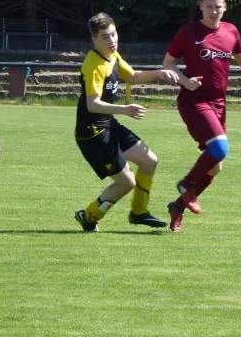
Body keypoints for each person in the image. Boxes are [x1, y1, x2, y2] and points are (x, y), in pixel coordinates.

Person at [163, 0, 241, 232]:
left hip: (219, 104)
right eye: (209, 6)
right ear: (201, 6)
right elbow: (168, 63)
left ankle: (177, 206)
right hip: (194, 100)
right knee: (220, 148)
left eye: (218, 6)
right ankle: (186, 185)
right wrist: (184, 81)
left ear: (225, 7)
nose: (213, 11)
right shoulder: (188, 32)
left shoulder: (231, 31)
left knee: (216, 165)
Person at [74, 12, 179, 232]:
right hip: (93, 133)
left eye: (113, 34)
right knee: (127, 183)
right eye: (105, 37)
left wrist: (160, 73)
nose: (112, 41)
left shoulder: (113, 57)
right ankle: (89, 216)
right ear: (94, 39)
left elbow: (132, 76)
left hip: (108, 125)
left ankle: (139, 212)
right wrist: (126, 109)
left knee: (149, 160)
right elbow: (92, 104)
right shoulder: (93, 65)